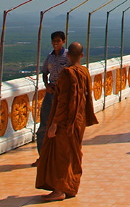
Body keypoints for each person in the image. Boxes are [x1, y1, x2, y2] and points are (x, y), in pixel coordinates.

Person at [35, 41, 98, 202]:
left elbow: (63, 101)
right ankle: (70, 187)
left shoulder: (67, 73)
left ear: (68, 55)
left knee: (60, 155)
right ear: (82, 56)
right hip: (78, 119)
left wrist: (54, 124)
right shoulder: (84, 72)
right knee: (73, 153)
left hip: (64, 122)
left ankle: (59, 189)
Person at [36, 31, 69, 159]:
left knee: (61, 125)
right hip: (51, 93)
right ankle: (42, 156)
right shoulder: (49, 57)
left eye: (58, 41)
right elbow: (44, 72)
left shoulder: (67, 57)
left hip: (63, 94)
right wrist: (47, 85)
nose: (55, 43)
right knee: (44, 125)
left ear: (63, 41)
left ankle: (59, 156)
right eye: (54, 41)